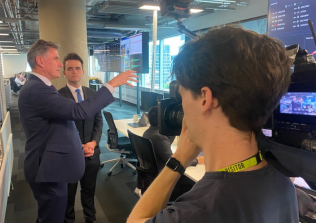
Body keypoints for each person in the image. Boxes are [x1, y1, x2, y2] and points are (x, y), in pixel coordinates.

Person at [127, 26, 298, 223]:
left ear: (205, 99)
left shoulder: (197, 211)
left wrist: (179, 159)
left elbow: (136, 220)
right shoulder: (283, 180)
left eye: (182, 96)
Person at [18, 39, 137, 223]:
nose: (60, 64)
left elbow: (58, 127)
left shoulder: (40, 87)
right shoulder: (38, 90)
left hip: (52, 164)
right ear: (40, 61)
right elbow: (79, 111)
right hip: (47, 168)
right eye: (56, 58)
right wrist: (112, 84)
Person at [58, 53, 102, 223]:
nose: (74, 72)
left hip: (91, 152)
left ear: (83, 71)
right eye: (70, 69)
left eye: (77, 68)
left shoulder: (93, 93)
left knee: (89, 192)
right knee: (68, 195)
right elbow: (59, 128)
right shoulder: (58, 96)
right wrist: (78, 146)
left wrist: (93, 142)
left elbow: (98, 121)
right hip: (69, 156)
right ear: (64, 73)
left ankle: (90, 219)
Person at [143, 106, 201, 171]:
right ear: (162, 120)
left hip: (150, 170)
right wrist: (196, 161)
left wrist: (172, 130)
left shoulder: (147, 132)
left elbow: (166, 145)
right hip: (161, 171)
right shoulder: (160, 138)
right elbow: (172, 162)